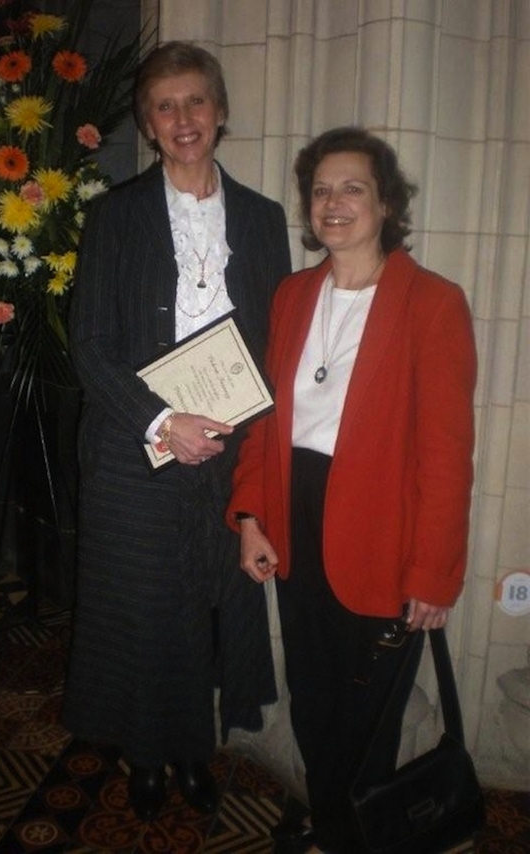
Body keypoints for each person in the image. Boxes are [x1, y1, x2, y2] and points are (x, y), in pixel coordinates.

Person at [227, 126, 477, 853]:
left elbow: (447, 454)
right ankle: (336, 817)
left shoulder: (432, 303)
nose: (333, 203)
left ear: (387, 204)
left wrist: (434, 571)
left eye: (353, 188)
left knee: (369, 712)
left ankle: (344, 836)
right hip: (296, 513)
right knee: (313, 694)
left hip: (383, 530)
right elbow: (266, 423)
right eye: (320, 189)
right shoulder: (292, 295)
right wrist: (250, 515)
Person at [62, 41, 291, 823]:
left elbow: (274, 346)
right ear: (149, 125)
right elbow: (88, 344)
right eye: (166, 106)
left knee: (208, 606)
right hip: (136, 453)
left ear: (220, 112)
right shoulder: (114, 216)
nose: (183, 118)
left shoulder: (263, 220)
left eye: (197, 101)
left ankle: (194, 747)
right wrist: (164, 420)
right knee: (142, 611)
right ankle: (149, 756)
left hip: (227, 458)